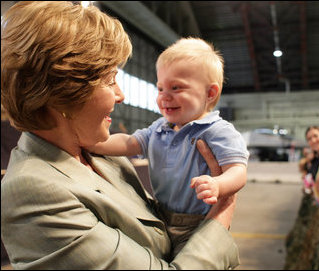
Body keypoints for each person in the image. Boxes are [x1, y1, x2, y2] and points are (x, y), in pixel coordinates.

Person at [0, 2, 240, 269]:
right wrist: (222, 211)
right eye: (110, 79)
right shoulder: (33, 191)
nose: (121, 95)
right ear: (64, 93)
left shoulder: (95, 151)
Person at [89, 37, 249, 255]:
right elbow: (129, 143)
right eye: (160, 88)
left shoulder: (216, 131)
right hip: (159, 215)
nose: (164, 97)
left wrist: (218, 185)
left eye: (176, 88)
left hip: (195, 225)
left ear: (210, 93)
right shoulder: (159, 128)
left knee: (194, 260)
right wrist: (94, 143)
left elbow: (238, 171)